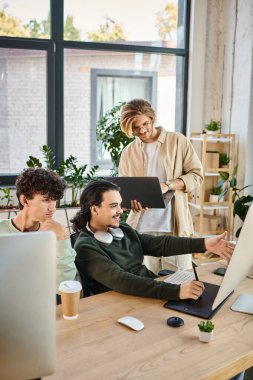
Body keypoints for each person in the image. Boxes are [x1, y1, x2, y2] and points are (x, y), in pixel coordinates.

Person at [72, 180, 234, 301]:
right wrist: (175, 291)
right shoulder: (85, 247)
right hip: (119, 302)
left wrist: (205, 244)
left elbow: (160, 244)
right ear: (94, 209)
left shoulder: (123, 229)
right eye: (114, 206)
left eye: (120, 205)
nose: (121, 211)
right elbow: (121, 280)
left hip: (147, 292)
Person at [118, 98, 204, 274]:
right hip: (142, 229)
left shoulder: (178, 141)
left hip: (174, 227)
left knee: (181, 280)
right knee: (150, 285)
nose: (142, 130)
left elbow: (197, 176)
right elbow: (122, 192)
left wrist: (168, 184)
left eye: (145, 124)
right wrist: (129, 203)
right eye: (135, 127)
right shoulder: (128, 152)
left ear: (152, 118)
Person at [0, 168, 77, 297]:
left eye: (54, 200)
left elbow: (63, 287)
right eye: (46, 200)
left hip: (39, 305)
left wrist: (63, 240)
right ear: (24, 200)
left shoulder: (54, 236)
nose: (53, 208)